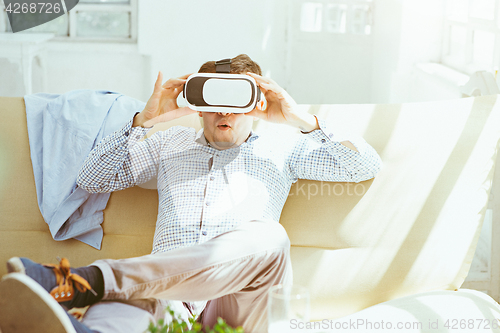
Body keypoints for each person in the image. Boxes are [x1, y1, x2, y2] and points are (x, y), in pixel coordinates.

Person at [0, 54, 382, 333]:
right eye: (214, 103)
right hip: (168, 298)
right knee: (123, 316)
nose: (223, 113)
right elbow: (93, 179)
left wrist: (302, 120)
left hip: (243, 304)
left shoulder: (284, 146)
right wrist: (142, 121)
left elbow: (364, 166)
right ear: (198, 107)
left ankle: (87, 282)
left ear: (257, 105)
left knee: (270, 237)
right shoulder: (171, 143)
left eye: (236, 102)